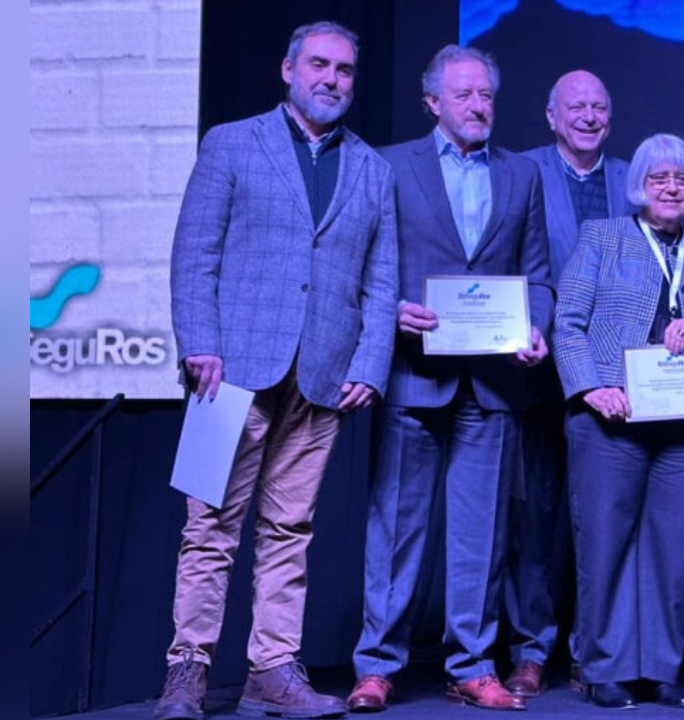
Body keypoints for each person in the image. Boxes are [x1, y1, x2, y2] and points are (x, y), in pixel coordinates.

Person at [158, 20, 398, 720]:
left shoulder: (372, 170)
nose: (332, 78)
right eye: (319, 65)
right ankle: (188, 671)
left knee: (291, 529)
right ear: (288, 70)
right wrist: (198, 339)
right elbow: (194, 252)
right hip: (226, 370)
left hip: (323, 376)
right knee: (208, 526)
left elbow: (382, 281)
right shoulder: (232, 143)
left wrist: (371, 363)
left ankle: (272, 668)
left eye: (345, 70)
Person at [347, 45, 552, 713]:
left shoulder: (522, 175)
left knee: (481, 536)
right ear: (432, 101)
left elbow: (538, 274)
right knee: (397, 529)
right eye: (463, 94)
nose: (478, 105)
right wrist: (392, 308)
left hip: (492, 384)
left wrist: (536, 326)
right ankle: (378, 665)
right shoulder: (388, 164)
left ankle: (471, 665)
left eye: (486, 94)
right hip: (413, 374)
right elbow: (365, 262)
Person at [554, 134, 684, 710]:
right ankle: (604, 667)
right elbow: (567, 324)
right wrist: (591, 388)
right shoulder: (602, 238)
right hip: (611, 417)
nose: (670, 188)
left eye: (681, 180)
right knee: (605, 544)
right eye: (659, 178)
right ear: (639, 184)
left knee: (672, 548)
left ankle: (660, 668)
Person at [504, 69, 632, 698]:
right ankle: (531, 649)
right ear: (550, 116)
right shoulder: (521, 172)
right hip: (534, 370)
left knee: (600, 520)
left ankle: (593, 650)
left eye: (599, 106)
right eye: (575, 106)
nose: (588, 115)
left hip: (611, 383)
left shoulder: (634, 180)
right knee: (534, 518)